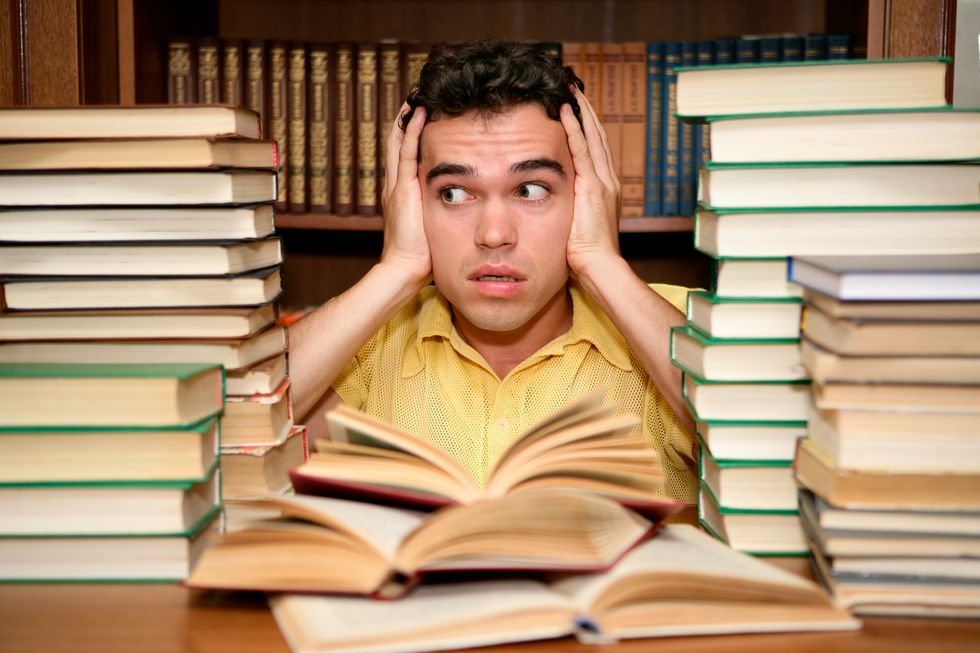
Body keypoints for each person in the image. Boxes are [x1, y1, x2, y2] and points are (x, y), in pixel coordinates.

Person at [288, 40, 696, 503]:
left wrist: (602, 263)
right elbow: (226, 431)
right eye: (454, 194)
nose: (495, 234)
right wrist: (396, 270)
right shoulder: (366, 343)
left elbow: (760, 446)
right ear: (411, 202)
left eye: (530, 189)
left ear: (588, 196)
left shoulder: (673, 327)